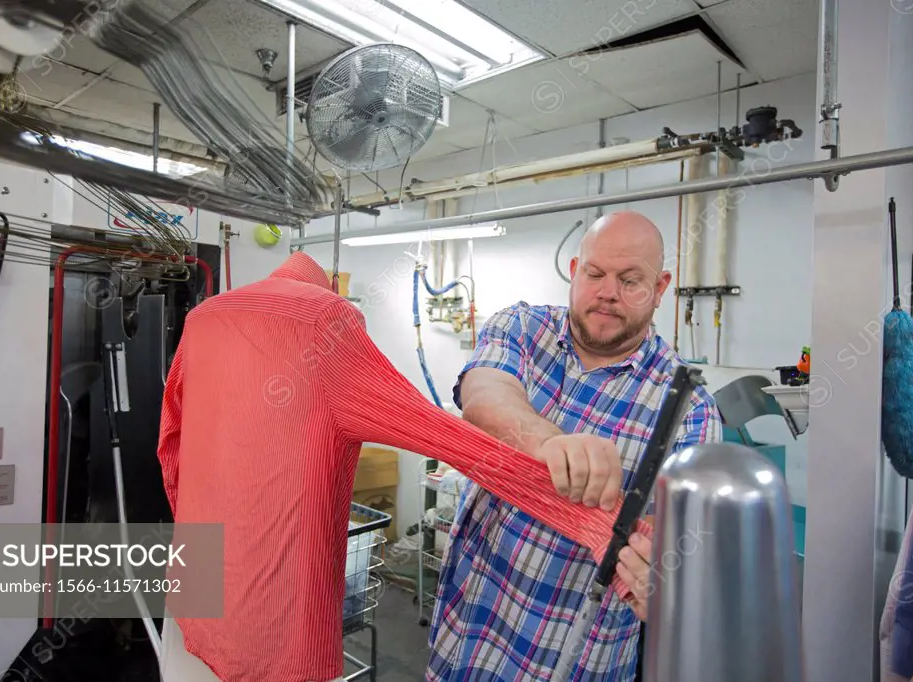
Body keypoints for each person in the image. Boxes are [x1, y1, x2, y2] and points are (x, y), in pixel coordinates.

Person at [155, 251, 653, 682]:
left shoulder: (205, 318)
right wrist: (600, 523)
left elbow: (170, 445)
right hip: (269, 620)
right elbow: (447, 437)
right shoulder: (324, 321)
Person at [426, 210, 723, 681]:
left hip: (573, 661)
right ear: (574, 270)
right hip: (466, 636)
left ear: (660, 287)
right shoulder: (522, 328)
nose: (608, 292)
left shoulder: (690, 413)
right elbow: (483, 395)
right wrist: (549, 442)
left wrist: (666, 585)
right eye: (595, 273)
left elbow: (688, 552)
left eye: (631, 280)